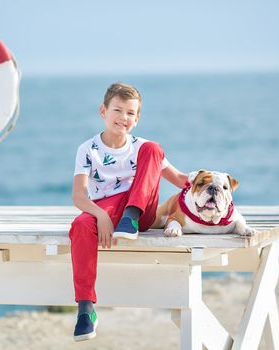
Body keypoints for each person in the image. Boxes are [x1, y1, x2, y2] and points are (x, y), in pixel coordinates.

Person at [69, 82, 189, 341]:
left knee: (154, 149)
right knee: (80, 226)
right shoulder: (87, 149)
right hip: (108, 209)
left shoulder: (141, 146)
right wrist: (100, 215)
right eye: (118, 110)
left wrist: (210, 182)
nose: (124, 118)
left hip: (141, 211)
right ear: (103, 111)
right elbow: (79, 195)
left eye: (130, 113)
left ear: (137, 118)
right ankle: (86, 309)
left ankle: (130, 218)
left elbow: (179, 178)